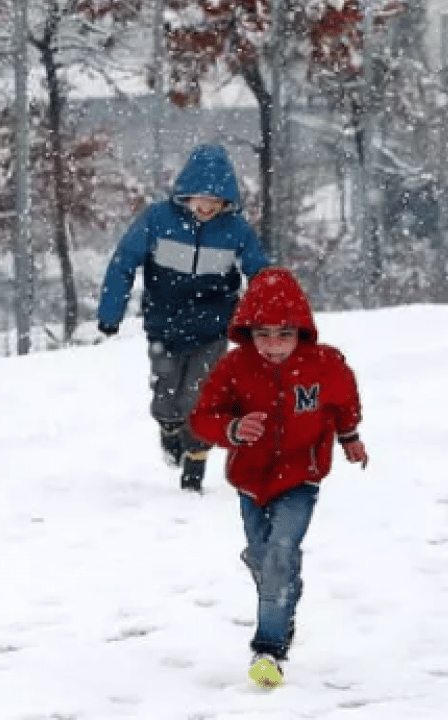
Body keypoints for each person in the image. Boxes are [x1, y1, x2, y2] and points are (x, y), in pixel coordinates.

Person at [188, 266, 368, 688]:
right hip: (250, 480)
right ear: (247, 331)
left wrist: (350, 436)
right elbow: (203, 416)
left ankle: (269, 647)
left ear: (302, 331)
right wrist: (231, 429)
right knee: (262, 556)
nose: (273, 345)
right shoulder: (234, 367)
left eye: (284, 334)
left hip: (300, 476)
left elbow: (344, 400)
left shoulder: (324, 364)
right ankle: (281, 593)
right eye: (263, 334)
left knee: (280, 552)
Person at [97, 144, 269, 492]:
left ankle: (196, 461)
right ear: (185, 194)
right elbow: (124, 262)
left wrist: (270, 317)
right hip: (165, 324)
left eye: (216, 201)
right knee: (166, 395)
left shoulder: (235, 230)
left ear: (227, 202)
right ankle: (169, 428)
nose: (207, 207)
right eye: (200, 199)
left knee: (201, 398)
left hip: (213, 328)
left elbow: (262, 273)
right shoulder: (158, 220)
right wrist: (110, 312)